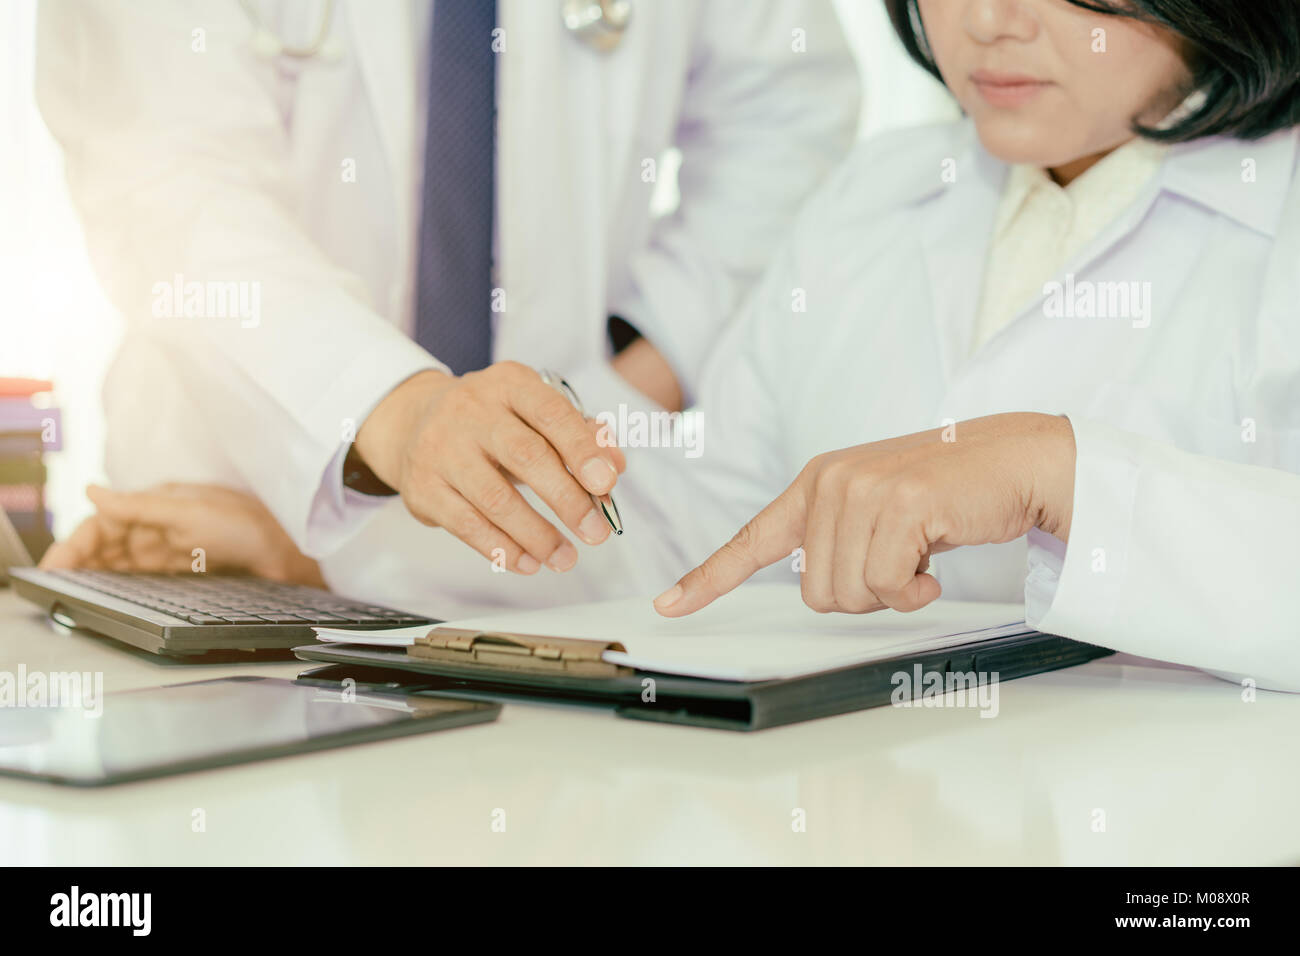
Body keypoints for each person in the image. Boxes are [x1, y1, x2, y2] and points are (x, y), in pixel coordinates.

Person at [35, 0, 859, 611]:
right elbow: (166, 185)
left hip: (564, 518)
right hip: (236, 494)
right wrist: (392, 411)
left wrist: (647, 358)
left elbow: (787, 109)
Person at [634, 0, 1300, 691]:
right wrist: (540, 487)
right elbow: (715, 539)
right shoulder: (872, 191)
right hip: (866, 787)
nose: (986, 20)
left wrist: (1065, 479)